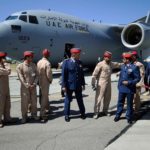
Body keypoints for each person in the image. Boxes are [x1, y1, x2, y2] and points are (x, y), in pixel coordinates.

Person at [91, 51, 121, 119]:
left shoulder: (111, 63)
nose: (109, 58)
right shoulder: (100, 64)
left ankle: (105, 110)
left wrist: (126, 63)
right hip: (101, 83)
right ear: (104, 57)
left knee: (108, 97)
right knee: (98, 98)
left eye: (110, 57)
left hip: (108, 82)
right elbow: (94, 75)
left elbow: (118, 64)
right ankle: (96, 113)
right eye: (107, 57)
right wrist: (93, 84)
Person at [114, 52, 141, 124]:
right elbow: (121, 76)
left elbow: (137, 78)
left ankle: (129, 117)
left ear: (127, 60)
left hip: (129, 89)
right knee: (120, 102)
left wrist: (129, 82)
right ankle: (118, 115)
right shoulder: (123, 66)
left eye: (124, 58)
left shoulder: (134, 67)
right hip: (122, 88)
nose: (122, 59)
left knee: (129, 104)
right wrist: (119, 86)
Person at [61, 48, 86, 122]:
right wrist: (63, 86)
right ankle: (66, 115)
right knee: (68, 100)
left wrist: (83, 84)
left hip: (78, 85)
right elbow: (64, 75)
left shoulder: (80, 62)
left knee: (80, 100)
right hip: (69, 85)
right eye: (79, 54)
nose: (80, 55)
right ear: (74, 54)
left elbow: (81, 74)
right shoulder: (66, 62)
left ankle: (82, 113)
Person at [16, 51, 39, 124]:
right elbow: (20, 77)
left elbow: (37, 75)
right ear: (27, 57)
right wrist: (26, 85)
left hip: (33, 87)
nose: (32, 58)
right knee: (24, 103)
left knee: (34, 102)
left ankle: (34, 115)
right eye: (31, 57)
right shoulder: (20, 66)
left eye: (32, 57)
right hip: (25, 88)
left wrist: (34, 84)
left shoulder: (34, 65)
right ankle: (24, 117)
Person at [37, 49, 53, 122]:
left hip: (40, 81)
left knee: (42, 96)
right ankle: (42, 114)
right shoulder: (47, 63)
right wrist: (50, 80)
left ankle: (48, 108)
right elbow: (49, 74)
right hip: (45, 81)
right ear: (47, 55)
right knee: (44, 97)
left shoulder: (39, 62)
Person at [0, 52, 12, 128]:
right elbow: (8, 71)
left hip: (6, 88)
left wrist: (5, 64)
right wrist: (7, 65)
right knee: (0, 105)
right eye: (3, 57)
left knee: (7, 104)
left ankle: (7, 118)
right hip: (0, 89)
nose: (5, 59)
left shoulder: (3, 65)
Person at [131, 50, 145, 114]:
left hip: (137, 83)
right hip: (131, 83)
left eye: (133, 55)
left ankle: (136, 110)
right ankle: (132, 109)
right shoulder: (130, 64)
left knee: (137, 97)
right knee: (131, 96)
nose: (132, 57)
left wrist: (140, 83)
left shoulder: (139, 64)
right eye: (131, 55)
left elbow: (142, 75)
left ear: (135, 56)